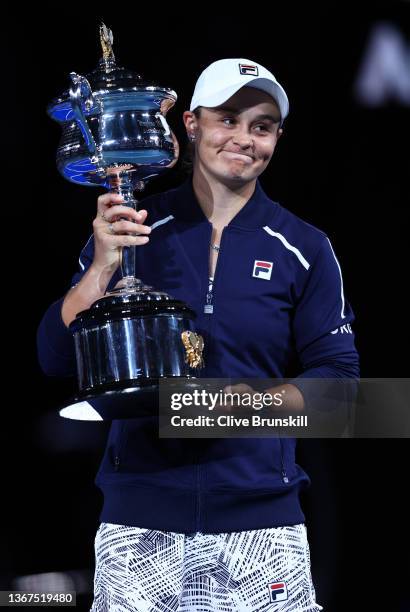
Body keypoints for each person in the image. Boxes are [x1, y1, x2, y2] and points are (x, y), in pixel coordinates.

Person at [38, 57, 359, 611]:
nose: (243, 138)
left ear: (277, 138)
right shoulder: (133, 228)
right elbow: (56, 358)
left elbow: (342, 388)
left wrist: (214, 409)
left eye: (261, 126)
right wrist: (100, 270)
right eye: (227, 120)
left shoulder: (304, 248)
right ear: (190, 125)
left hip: (263, 533)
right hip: (139, 527)